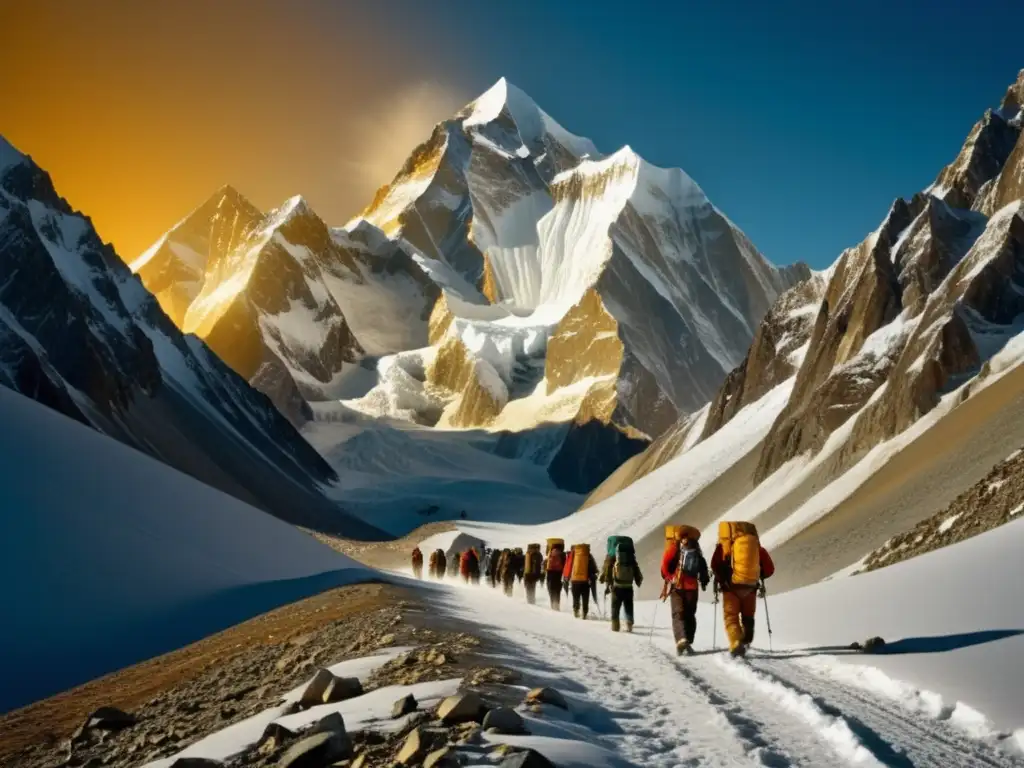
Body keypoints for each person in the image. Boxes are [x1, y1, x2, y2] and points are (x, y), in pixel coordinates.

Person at [711, 522, 775, 657]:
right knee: (748, 617)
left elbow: (714, 565)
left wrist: (722, 580)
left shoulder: (724, 546)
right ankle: (746, 642)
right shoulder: (757, 547)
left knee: (731, 617)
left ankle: (736, 642)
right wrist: (759, 574)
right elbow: (770, 569)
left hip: (730, 588)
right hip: (750, 588)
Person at [660, 526, 709, 654]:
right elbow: (703, 569)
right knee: (690, 615)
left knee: (678, 614)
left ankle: (681, 640)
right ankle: (688, 640)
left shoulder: (674, 548)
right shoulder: (696, 549)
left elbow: (664, 567)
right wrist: (704, 582)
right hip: (692, 588)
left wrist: (669, 578)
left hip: (677, 586)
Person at [601, 536, 643, 632]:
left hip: (616, 586)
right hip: (628, 585)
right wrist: (638, 580)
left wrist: (605, 581)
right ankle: (629, 621)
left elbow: (606, 569)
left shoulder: (611, 556)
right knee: (628, 605)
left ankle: (615, 626)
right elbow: (636, 569)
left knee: (615, 606)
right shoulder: (631, 557)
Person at [564, 543, 599, 619]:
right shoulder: (588, 556)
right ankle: (584, 612)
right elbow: (594, 569)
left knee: (576, 597)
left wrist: (567, 577)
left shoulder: (572, 556)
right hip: (585, 581)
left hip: (575, 580)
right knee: (585, 597)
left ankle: (576, 610)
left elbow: (568, 567)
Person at [544, 539, 566, 610]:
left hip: (550, 573)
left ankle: (552, 605)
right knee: (557, 590)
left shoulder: (550, 553)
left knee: (551, 589)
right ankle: (557, 605)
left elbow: (545, 564)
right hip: (558, 574)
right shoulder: (562, 554)